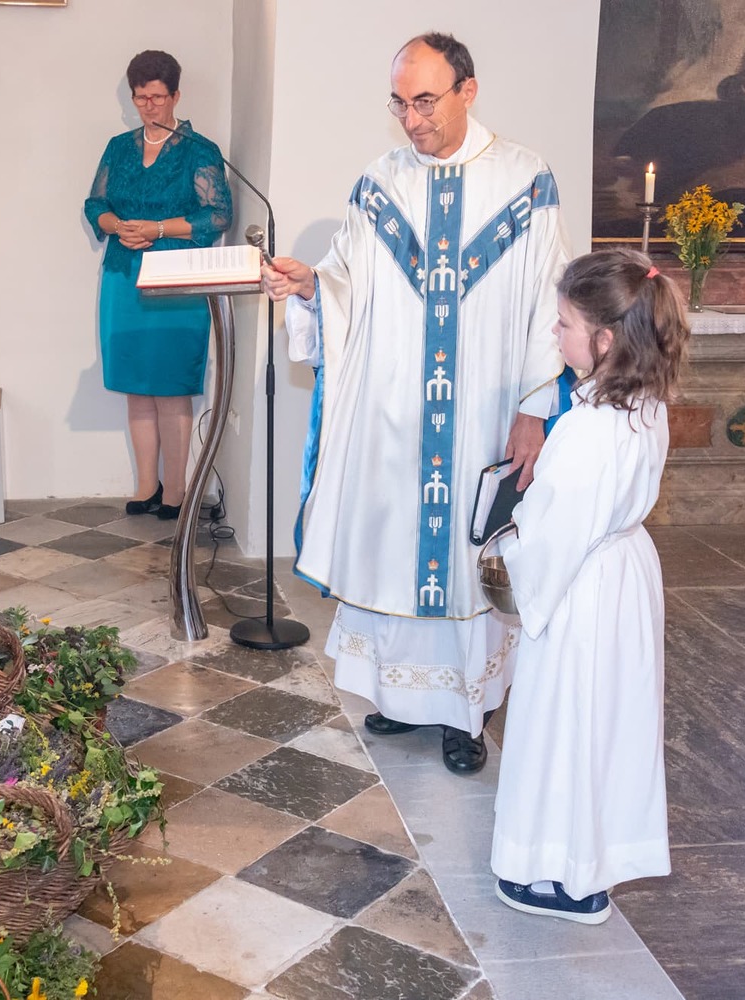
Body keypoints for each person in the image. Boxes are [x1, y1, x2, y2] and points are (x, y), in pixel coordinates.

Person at [260, 33, 569, 773]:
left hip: (484, 415)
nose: (411, 119)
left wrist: (534, 408)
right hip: (398, 417)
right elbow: (348, 283)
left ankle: (465, 714)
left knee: (468, 555)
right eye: (399, 103)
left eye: (425, 101)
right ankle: (402, 697)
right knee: (395, 549)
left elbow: (548, 304)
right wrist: (311, 286)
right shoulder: (381, 182)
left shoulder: (525, 180)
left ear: (468, 90)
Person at [490, 249, 687, 924]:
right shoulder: (642, 402)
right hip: (621, 574)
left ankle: (565, 876)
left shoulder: (587, 429)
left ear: (605, 340)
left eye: (565, 323)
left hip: (582, 588)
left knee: (567, 724)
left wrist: (506, 551)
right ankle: (590, 862)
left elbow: (553, 531)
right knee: (608, 726)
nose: (555, 333)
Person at [84, 50, 232, 520]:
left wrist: (159, 228)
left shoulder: (199, 150)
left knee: (170, 386)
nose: (149, 106)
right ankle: (146, 486)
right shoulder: (118, 147)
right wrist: (116, 225)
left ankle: (176, 491)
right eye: (140, 98)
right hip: (123, 275)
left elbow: (217, 214)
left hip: (175, 280)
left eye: (158, 97)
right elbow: (95, 203)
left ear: (176, 95)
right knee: (137, 386)